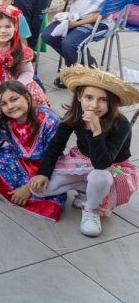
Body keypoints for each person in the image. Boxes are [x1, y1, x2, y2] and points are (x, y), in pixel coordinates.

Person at [29, 66, 139, 237]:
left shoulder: (121, 124)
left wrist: (96, 130)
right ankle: (85, 190)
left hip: (110, 167)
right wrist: (44, 173)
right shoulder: (75, 114)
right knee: (40, 190)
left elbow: (103, 163)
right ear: (80, 96)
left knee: (99, 176)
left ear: (111, 102)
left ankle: (92, 208)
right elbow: (56, 145)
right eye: (89, 97)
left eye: (103, 100)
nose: (94, 105)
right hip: (81, 160)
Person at [0, 81, 65, 221]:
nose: (10, 106)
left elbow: (54, 157)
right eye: (4, 104)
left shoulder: (50, 121)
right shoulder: (6, 122)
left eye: (14, 99)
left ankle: (25, 189)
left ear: (27, 97)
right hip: (18, 161)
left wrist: (28, 188)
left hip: (46, 168)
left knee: (46, 196)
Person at [0, 7, 49, 108]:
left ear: (15, 28)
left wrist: (16, 85)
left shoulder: (19, 47)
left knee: (33, 95)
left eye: (8, 27)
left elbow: (27, 72)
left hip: (14, 84)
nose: (3, 31)